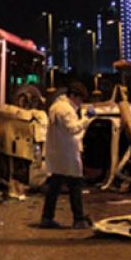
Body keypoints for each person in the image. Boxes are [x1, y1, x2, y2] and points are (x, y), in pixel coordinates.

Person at [40, 81, 96, 229]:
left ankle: (47, 217)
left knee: (54, 186)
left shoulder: (55, 107)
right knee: (75, 186)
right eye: (80, 98)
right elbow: (72, 128)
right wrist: (86, 119)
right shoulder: (66, 110)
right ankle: (78, 219)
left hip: (58, 152)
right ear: (73, 95)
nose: (80, 102)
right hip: (67, 153)